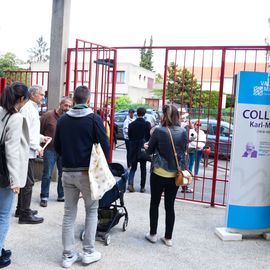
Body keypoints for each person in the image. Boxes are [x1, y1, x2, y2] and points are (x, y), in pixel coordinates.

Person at [54, 85, 109, 268]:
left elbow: (58, 147)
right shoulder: (94, 119)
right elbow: (105, 144)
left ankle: (68, 255)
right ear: (88, 100)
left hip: (68, 172)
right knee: (91, 211)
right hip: (88, 174)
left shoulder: (62, 120)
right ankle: (88, 252)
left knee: (69, 213)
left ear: (74, 99)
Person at [144, 104, 187, 247]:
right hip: (175, 174)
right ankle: (168, 238)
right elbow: (182, 151)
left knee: (154, 203)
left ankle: (153, 234)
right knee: (170, 206)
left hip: (159, 173)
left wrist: (148, 146)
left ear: (164, 115)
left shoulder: (158, 131)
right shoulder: (183, 131)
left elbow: (149, 151)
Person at [0, 82, 30, 268]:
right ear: (21, 99)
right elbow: (11, 150)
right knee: (3, 214)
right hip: (4, 173)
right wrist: (15, 181)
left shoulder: (1, 112)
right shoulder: (16, 117)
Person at [15, 85, 51, 224]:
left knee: (26, 182)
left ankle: (21, 209)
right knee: (28, 183)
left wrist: (42, 138)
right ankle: (24, 214)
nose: (43, 97)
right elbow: (25, 132)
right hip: (25, 152)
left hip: (29, 151)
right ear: (33, 94)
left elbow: (32, 131)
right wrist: (37, 147)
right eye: (41, 94)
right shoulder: (27, 109)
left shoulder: (32, 108)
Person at [39, 97, 73, 207]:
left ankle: (61, 195)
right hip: (50, 149)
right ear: (60, 104)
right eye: (65, 105)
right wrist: (40, 147)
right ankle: (44, 196)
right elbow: (39, 131)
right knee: (47, 174)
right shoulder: (47, 116)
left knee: (63, 174)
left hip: (63, 150)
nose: (67, 108)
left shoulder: (70, 118)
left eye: (69, 106)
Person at [127, 107, 151, 193]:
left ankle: (130, 184)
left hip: (133, 148)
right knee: (143, 168)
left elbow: (129, 137)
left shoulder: (131, 124)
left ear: (137, 113)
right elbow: (149, 137)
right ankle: (142, 187)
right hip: (143, 148)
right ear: (144, 114)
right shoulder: (147, 124)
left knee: (133, 168)